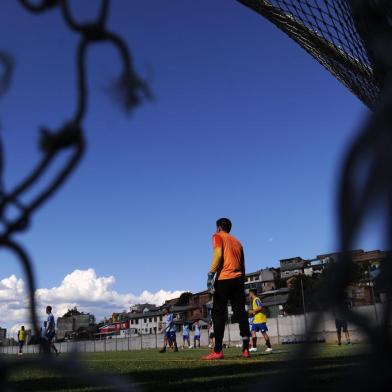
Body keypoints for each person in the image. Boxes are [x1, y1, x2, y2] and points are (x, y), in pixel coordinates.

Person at [202, 218, 251, 360]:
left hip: (223, 279)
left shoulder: (217, 236)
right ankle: (246, 349)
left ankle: (218, 351)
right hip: (238, 279)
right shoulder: (238, 242)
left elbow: (218, 255)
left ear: (218, 228)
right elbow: (243, 266)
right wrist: (241, 281)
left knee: (218, 314)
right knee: (241, 313)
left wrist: (211, 274)